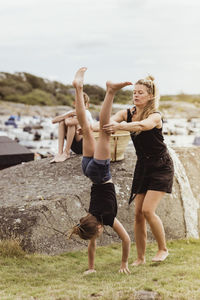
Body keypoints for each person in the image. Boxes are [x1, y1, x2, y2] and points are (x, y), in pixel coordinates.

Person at [103, 76, 174, 266]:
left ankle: (163, 249)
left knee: (148, 210)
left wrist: (120, 127)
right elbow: (106, 123)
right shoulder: (127, 113)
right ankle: (141, 258)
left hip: (161, 165)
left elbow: (144, 126)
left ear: (150, 96)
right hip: (143, 166)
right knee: (138, 214)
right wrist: (86, 129)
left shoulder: (155, 116)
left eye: (140, 92)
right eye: (134, 92)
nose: (136, 95)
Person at [69, 67, 131, 274]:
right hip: (88, 171)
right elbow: (92, 242)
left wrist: (124, 264)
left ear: (97, 227)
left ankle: (111, 91)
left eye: (97, 234)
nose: (98, 236)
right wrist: (91, 268)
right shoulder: (90, 215)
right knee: (86, 128)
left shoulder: (107, 218)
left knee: (104, 129)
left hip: (101, 174)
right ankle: (78, 89)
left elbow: (126, 239)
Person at [50, 92, 93, 163]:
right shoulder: (72, 112)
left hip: (84, 145)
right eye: (78, 104)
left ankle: (66, 153)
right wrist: (67, 115)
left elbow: (69, 122)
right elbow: (53, 121)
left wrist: (67, 117)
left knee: (71, 123)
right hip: (75, 146)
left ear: (87, 106)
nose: (80, 107)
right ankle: (60, 152)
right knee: (61, 122)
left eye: (82, 105)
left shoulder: (86, 113)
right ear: (74, 103)